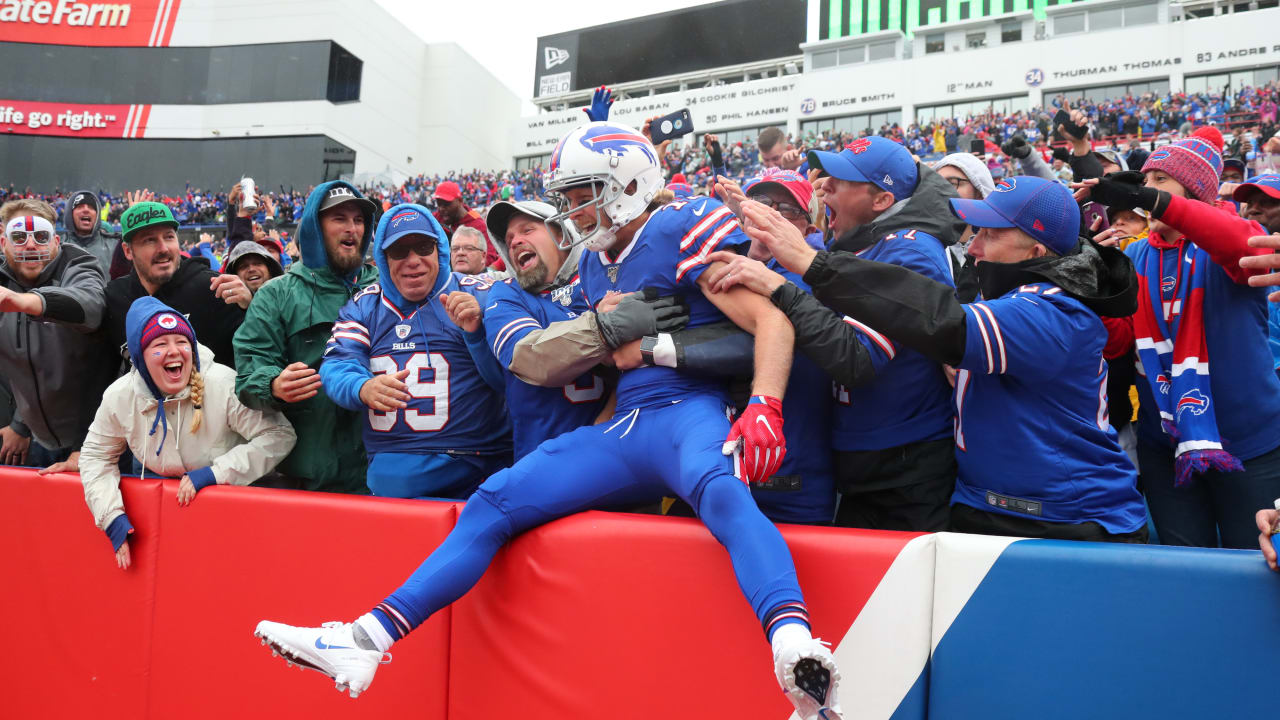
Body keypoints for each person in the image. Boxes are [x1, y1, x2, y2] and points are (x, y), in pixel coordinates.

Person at [254, 122, 842, 720]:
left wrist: (764, 402)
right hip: (629, 423)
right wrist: (604, 413)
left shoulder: (673, 228)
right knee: (496, 500)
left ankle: (793, 645)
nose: (575, 207)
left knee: (721, 490)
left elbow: (770, 321)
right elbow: (574, 362)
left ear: (626, 181)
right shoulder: (592, 268)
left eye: (584, 190)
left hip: (689, 410)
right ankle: (364, 640)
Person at [754, 174, 1149, 542]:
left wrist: (810, 265)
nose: (973, 247)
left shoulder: (1055, 311)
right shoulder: (1007, 297)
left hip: (1065, 518)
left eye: (991, 235)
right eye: (975, 232)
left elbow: (942, 320)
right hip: (989, 504)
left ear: (1036, 250)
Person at [1074, 130, 1280, 549]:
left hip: (1248, 444)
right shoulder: (1133, 256)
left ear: (1195, 191)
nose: (1146, 193)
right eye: (1144, 184)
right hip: (1164, 443)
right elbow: (1117, 345)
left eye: (1160, 181)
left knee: (1253, 568)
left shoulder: (1236, 236)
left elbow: (1239, 244)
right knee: (1185, 566)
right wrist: (1089, 288)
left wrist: (1158, 202)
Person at [79, 297, 296, 570]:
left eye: (181, 342)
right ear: (139, 357)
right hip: (165, 513)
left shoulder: (222, 384)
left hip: (234, 506)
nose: (174, 351)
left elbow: (279, 434)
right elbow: (95, 457)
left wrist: (216, 474)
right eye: (160, 345)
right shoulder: (119, 396)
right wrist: (111, 516)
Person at [319, 204, 511, 499]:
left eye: (423, 247)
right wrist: (362, 386)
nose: (413, 261)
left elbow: (509, 380)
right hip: (391, 483)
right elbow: (337, 365)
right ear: (383, 259)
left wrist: (477, 335)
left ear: (439, 251)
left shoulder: (478, 293)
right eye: (399, 251)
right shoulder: (364, 306)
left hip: (477, 474)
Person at [233, 182, 379, 494]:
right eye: (339, 218)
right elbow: (247, 374)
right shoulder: (277, 294)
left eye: (358, 219)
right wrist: (274, 384)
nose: (352, 228)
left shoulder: (384, 289)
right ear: (314, 226)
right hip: (305, 481)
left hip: (378, 477)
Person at [0, 200, 114, 471]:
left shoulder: (78, 265)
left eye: (40, 237)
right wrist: (17, 423)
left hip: (95, 435)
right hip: (35, 435)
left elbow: (90, 305)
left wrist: (24, 301)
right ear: (3, 242)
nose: (30, 246)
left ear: (56, 242)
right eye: (19, 237)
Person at [104, 202, 250, 369]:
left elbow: (259, 350)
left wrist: (251, 306)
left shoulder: (213, 289)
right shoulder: (116, 297)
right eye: (149, 240)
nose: (163, 248)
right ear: (128, 251)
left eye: (169, 237)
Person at [432, 181, 502, 269]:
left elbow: (490, 258)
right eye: (439, 204)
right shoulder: (436, 218)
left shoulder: (478, 225)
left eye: (446, 204)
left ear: (460, 201)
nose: (441, 209)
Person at [61, 190, 121, 278]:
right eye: (80, 207)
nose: (86, 210)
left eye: (91, 207)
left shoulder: (115, 245)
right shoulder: (57, 246)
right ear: (70, 214)